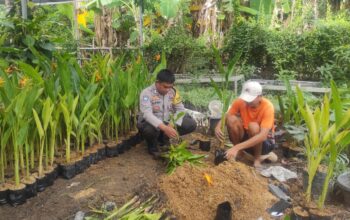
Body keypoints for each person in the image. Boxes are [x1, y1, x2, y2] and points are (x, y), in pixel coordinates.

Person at [215, 81, 277, 168]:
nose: (247, 102)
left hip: (264, 143)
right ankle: (240, 153)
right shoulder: (241, 102)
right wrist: (217, 127)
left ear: (260, 97)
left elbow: (263, 136)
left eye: (250, 99)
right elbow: (227, 115)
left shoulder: (268, 107)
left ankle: (257, 159)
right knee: (231, 119)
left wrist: (236, 147)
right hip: (247, 137)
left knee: (253, 126)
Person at [138, 69, 197, 156]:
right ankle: (152, 145)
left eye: (170, 87)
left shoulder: (173, 91)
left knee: (191, 124)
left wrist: (171, 124)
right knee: (149, 130)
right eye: (165, 87)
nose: (168, 90)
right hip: (152, 123)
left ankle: (164, 139)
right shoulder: (146, 93)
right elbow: (147, 114)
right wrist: (165, 128)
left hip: (167, 121)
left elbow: (180, 109)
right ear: (157, 82)